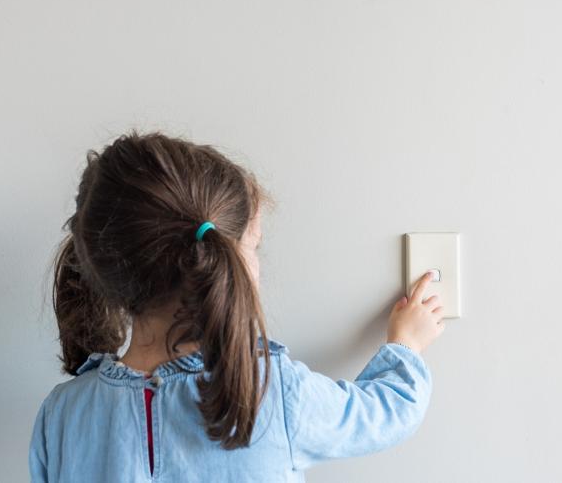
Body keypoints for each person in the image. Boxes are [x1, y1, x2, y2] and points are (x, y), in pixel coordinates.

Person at [28, 129, 445, 482]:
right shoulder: (271, 390)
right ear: (226, 262)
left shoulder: (61, 417)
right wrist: (405, 346)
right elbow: (382, 414)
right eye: (255, 246)